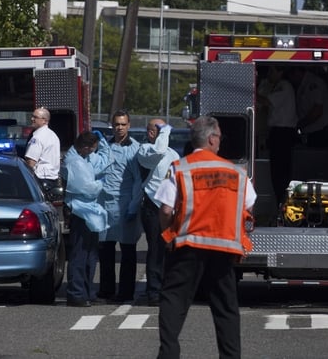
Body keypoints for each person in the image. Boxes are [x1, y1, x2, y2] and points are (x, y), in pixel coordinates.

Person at [154, 115, 254, 359]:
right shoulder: (236, 172)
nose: (220, 141)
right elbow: (249, 203)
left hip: (188, 245)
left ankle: (169, 353)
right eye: (219, 137)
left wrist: (168, 236)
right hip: (224, 248)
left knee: (174, 300)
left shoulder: (181, 168)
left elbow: (166, 209)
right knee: (226, 308)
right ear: (211, 139)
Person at [97, 110, 143, 303]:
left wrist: (133, 206)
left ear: (129, 125)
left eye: (123, 124)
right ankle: (106, 289)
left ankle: (125, 292)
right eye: (117, 124)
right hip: (104, 205)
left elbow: (138, 181)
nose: (120, 128)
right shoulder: (104, 146)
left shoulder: (135, 149)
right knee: (105, 250)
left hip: (124, 204)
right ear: (112, 125)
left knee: (127, 251)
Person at [62, 131, 109, 307]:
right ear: (86, 147)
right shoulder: (75, 162)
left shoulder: (83, 158)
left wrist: (104, 144)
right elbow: (88, 188)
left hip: (87, 212)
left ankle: (87, 292)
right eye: (93, 148)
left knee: (90, 255)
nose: (93, 152)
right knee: (79, 255)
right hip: (79, 212)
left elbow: (103, 162)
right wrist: (101, 183)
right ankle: (76, 293)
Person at [136, 118, 180, 306]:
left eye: (160, 129)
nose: (155, 132)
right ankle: (154, 291)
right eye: (155, 129)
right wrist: (165, 130)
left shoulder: (173, 154)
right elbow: (158, 152)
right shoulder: (144, 150)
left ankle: (168, 287)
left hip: (171, 207)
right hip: (153, 206)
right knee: (156, 248)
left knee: (170, 248)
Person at [257, 66, 297, 206]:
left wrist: (251, 93)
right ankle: (279, 201)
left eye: (272, 71)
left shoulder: (284, 86)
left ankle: (282, 202)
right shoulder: (275, 86)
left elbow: (267, 101)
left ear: (281, 72)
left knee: (280, 172)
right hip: (278, 133)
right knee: (276, 171)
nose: (269, 74)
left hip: (283, 134)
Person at [289, 67, 328, 148]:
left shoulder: (313, 83)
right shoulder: (304, 84)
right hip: (314, 132)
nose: (291, 79)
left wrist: (299, 125)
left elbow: (317, 111)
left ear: (297, 72)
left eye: (291, 75)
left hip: (322, 133)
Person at [25, 107, 61, 191]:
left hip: (40, 179)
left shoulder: (37, 137)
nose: (32, 119)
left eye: (35, 117)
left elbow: (31, 162)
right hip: (53, 179)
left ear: (44, 120)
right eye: (32, 116)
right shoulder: (53, 135)